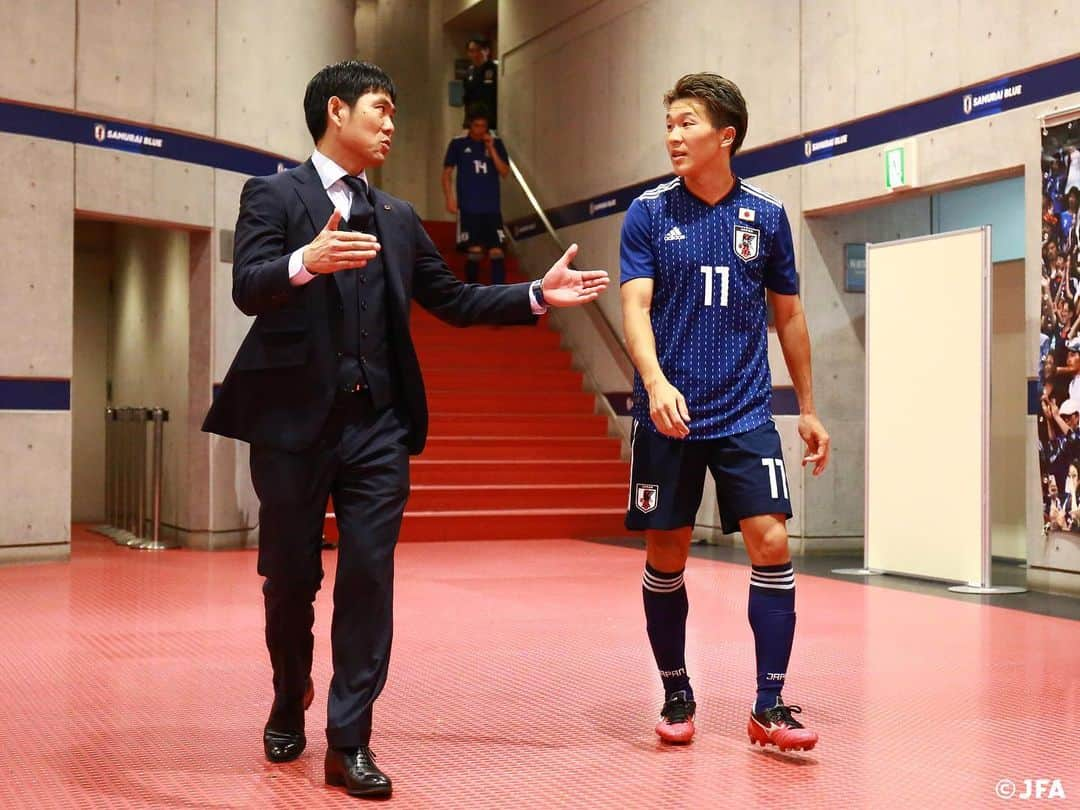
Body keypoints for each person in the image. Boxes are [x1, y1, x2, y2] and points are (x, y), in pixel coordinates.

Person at [202, 60, 608, 799]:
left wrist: (533, 296)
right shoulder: (273, 194)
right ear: (336, 110)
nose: (392, 124)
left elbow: (451, 299)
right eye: (381, 109)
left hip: (378, 426)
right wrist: (305, 260)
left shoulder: (396, 217)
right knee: (290, 580)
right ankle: (289, 693)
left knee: (370, 576)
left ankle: (349, 740)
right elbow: (246, 286)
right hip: (291, 425)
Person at [619, 73, 830, 751]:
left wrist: (809, 408)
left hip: (744, 413)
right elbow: (635, 307)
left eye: (687, 123)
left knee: (771, 543)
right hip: (669, 416)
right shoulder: (649, 214)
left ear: (725, 135)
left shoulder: (766, 217)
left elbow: (790, 316)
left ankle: (769, 704)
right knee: (667, 554)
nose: (672, 136)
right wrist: (653, 383)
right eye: (670, 124)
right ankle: (677, 690)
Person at [442, 108, 510, 283]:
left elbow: (504, 172)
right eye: (476, 126)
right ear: (470, 126)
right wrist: (450, 198)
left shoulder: (496, 143)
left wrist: (491, 148)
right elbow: (447, 173)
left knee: (497, 250)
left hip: (492, 207)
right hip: (469, 207)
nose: (480, 130)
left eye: (484, 126)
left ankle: (499, 293)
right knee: (475, 250)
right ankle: (473, 292)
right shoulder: (458, 144)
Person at [462, 37, 497, 130]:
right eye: (471, 51)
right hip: (473, 121)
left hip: (491, 121)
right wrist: (466, 122)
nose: (475, 54)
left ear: (487, 51)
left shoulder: (494, 69)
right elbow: (467, 99)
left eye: (478, 50)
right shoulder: (469, 73)